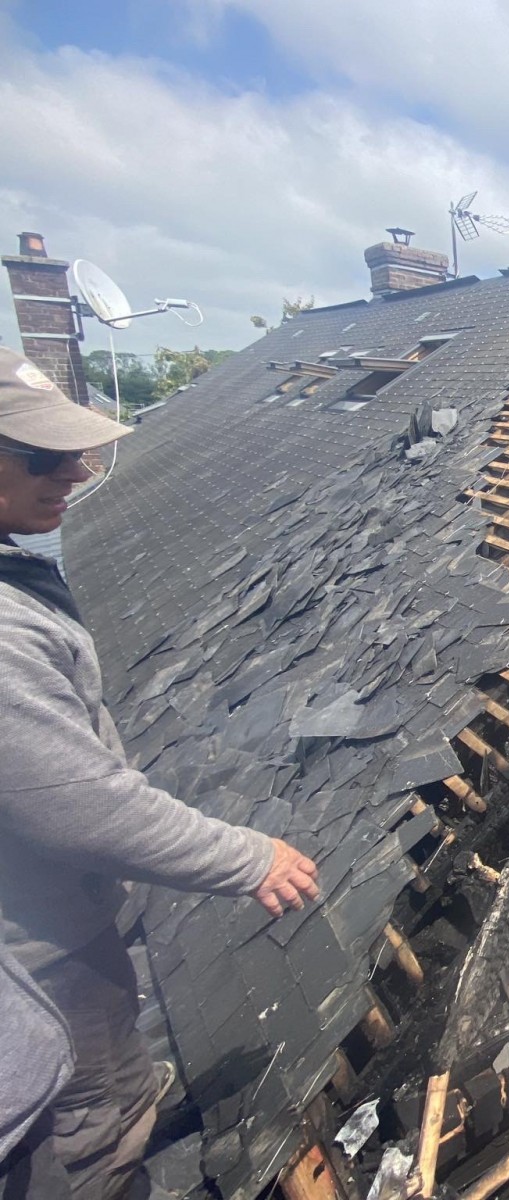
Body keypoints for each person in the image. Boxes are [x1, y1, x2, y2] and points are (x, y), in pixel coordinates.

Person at [0, 346, 321, 1200]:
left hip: (45, 934)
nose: (76, 472)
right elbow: (77, 805)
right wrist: (249, 858)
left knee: (116, 1096)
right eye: (40, 456)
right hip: (41, 962)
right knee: (93, 1145)